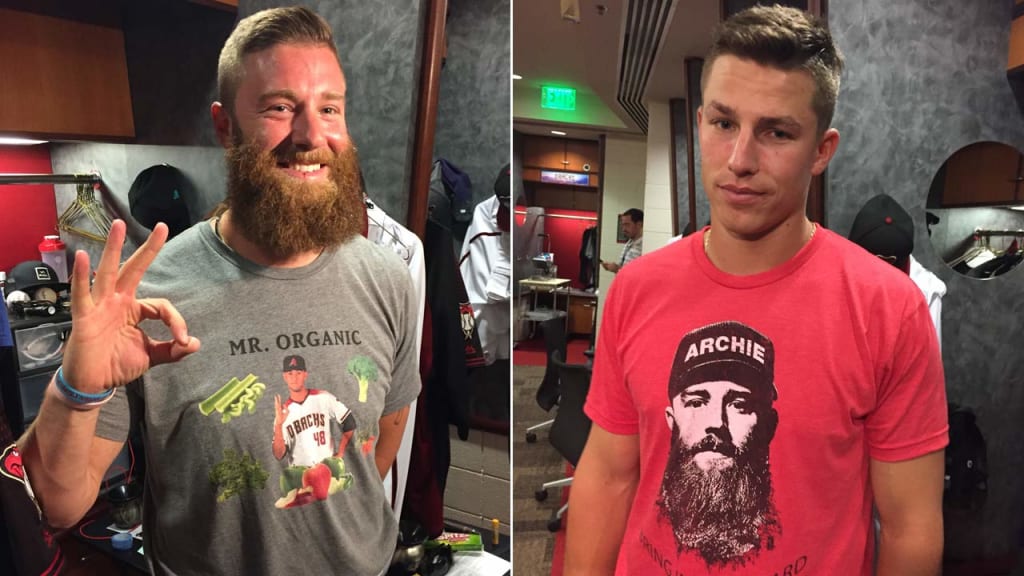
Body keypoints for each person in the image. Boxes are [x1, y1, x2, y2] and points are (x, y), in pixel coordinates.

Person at [17, 7, 419, 576]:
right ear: (225, 125)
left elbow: (379, 440)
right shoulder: (151, 296)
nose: (311, 135)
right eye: (280, 108)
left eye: (329, 108)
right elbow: (60, 506)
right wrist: (73, 388)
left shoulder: (388, 278)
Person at [566, 5, 948, 576]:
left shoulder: (887, 308)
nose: (740, 160)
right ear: (700, 124)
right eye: (724, 124)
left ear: (822, 150)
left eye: (776, 132)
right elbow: (608, 475)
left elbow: (910, 526)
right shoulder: (637, 289)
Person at [273, 354, 357, 468]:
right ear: (285, 377)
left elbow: (349, 421)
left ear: (305, 375)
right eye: (290, 373)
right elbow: (278, 455)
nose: (294, 378)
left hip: (327, 471)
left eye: (298, 373)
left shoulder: (323, 397)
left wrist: (341, 452)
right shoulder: (282, 414)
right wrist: (278, 425)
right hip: (300, 478)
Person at [600, 208, 643, 273]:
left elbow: (639, 273)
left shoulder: (645, 246)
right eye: (623, 225)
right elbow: (625, 267)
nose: (623, 229)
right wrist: (613, 267)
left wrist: (617, 269)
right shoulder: (629, 242)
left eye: (627, 225)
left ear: (639, 224)